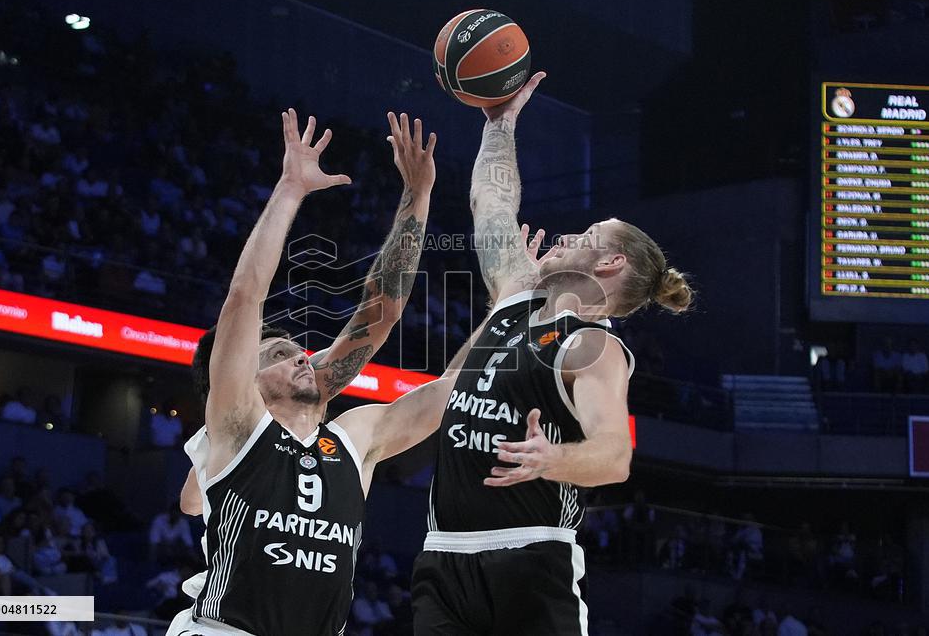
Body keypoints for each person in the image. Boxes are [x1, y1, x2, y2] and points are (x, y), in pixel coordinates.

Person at [411, 73, 693, 635]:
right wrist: (500, 122)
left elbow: (614, 457)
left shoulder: (593, 346)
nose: (567, 237)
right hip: (442, 560)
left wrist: (550, 460)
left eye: (588, 234)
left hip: (531, 562)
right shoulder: (516, 296)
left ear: (611, 264)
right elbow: (491, 205)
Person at [168, 109, 462, 636]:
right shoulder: (239, 428)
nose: (301, 355)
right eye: (277, 354)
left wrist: (417, 196)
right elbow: (244, 297)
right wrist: (290, 189)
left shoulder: (353, 439)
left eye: (300, 350)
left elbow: (387, 317)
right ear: (244, 384)